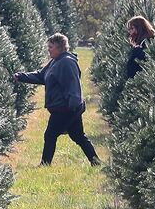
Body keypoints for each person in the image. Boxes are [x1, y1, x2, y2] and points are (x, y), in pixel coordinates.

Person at [14, 33, 101, 167]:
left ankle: (45, 164)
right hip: (65, 108)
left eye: (51, 47)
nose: (48, 49)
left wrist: (72, 108)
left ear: (60, 47)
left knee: (50, 135)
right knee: (78, 136)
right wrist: (21, 77)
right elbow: (41, 76)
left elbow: (73, 86)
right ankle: (96, 162)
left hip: (65, 109)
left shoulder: (67, 62)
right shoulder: (56, 61)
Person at [125, 15, 155, 79]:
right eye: (129, 29)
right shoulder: (140, 44)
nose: (130, 32)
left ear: (139, 28)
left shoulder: (147, 43)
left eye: (132, 28)